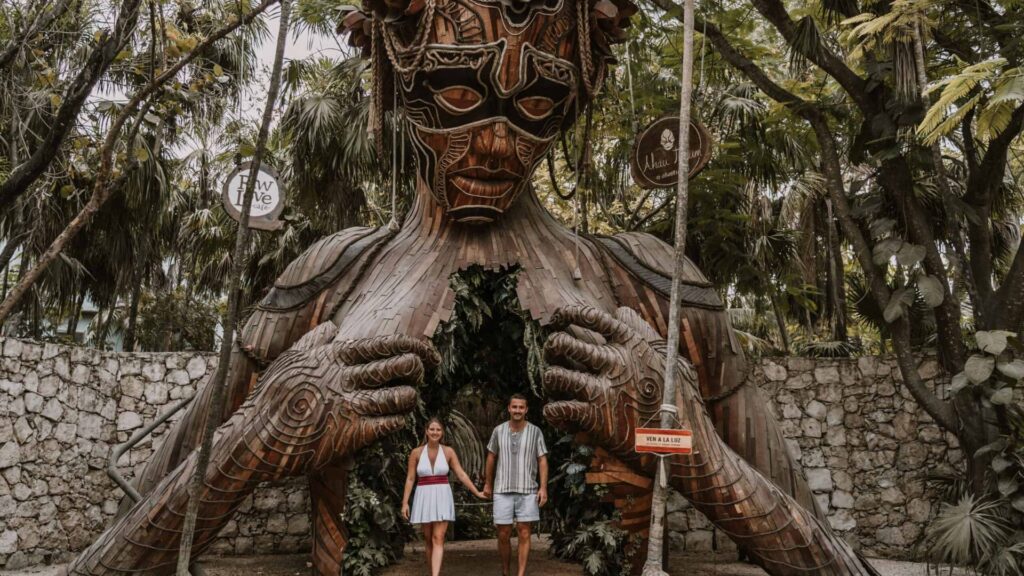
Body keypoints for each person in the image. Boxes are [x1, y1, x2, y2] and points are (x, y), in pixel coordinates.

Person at [402, 417, 487, 576]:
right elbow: (411, 478)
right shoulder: (416, 453)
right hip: (424, 496)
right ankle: (432, 572)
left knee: (438, 537)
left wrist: (477, 492)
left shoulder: (448, 452)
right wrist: (405, 503)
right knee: (428, 539)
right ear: (426, 431)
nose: (435, 432)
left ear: (442, 432)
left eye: (438, 430)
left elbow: (461, 474)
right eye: (432, 429)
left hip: (442, 495)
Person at [483, 394, 548, 576]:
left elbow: (542, 460)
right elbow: (491, 457)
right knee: (503, 533)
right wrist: (488, 483)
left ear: (526, 410)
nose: (517, 410)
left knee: (524, 532)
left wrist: (543, 487)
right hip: (502, 489)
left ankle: (520, 574)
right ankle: (506, 571)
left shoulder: (535, 432)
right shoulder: (498, 431)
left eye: (521, 407)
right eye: (514, 407)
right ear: (509, 408)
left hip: (527, 489)